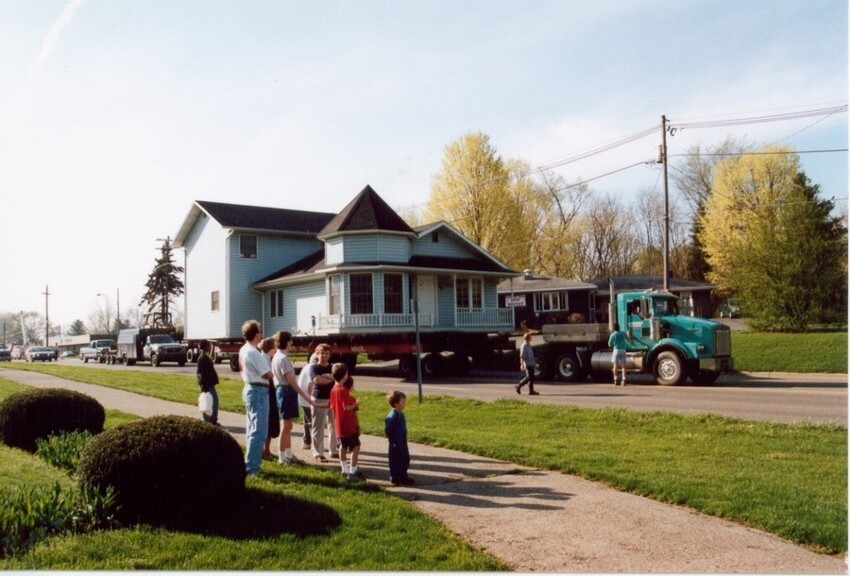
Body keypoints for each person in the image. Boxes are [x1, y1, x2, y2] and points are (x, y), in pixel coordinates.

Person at [272, 330, 320, 465]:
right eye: (290, 340)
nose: (292, 343)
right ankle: (282, 457)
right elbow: (291, 381)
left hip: (284, 390)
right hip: (286, 391)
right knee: (286, 426)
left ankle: (288, 453)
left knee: (289, 425)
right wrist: (305, 396)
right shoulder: (283, 358)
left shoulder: (278, 356)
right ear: (287, 342)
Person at [238, 319, 272, 476]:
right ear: (256, 334)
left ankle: (250, 463)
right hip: (258, 391)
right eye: (259, 331)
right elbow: (268, 374)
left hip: (250, 389)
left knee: (252, 429)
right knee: (258, 431)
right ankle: (252, 468)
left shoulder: (244, 349)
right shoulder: (253, 352)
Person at [329, 363, 364, 482]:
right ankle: (353, 470)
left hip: (338, 424)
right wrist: (355, 405)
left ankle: (344, 468)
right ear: (344, 376)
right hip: (348, 424)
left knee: (343, 446)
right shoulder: (343, 390)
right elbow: (346, 407)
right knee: (356, 446)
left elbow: (333, 406)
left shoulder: (333, 389)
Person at [307, 343, 338, 460]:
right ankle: (318, 452)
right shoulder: (314, 367)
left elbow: (338, 378)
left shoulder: (333, 366)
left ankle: (333, 450)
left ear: (329, 355)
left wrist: (328, 376)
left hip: (333, 399)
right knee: (318, 427)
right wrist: (330, 378)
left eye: (326, 353)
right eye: (321, 353)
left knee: (333, 426)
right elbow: (317, 380)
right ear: (317, 354)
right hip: (319, 398)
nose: (324, 355)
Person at [385, 390, 414, 486]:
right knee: (396, 460)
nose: (404, 403)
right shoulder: (393, 416)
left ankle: (403, 476)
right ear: (396, 403)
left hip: (402, 441)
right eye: (403, 402)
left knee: (405, 458)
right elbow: (389, 430)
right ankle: (395, 477)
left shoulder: (400, 414)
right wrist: (392, 441)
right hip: (395, 443)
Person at [260, 337, 281, 461]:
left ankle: (267, 449)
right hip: (267, 391)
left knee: (271, 421)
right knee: (267, 421)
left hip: (270, 390)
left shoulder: (268, 358)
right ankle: (264, 451)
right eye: (274, 346)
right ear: (270, 347)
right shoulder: (263, 358)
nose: (276, 348)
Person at [297, 352, 319, 451]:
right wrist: (312, 398)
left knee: (307, 420)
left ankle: (306, 441)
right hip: (308, 398)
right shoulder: (313, 368)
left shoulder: (306, 367)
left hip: (302, 398)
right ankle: (313, 443)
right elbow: (310, 385)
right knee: (312, 422)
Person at [196, 339, 219, 424]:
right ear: (205, 347)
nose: (210, 347)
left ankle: (211, 420)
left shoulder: (205, 356)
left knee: (211, 401)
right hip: (207, 384)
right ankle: (210, 421)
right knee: (210, 402)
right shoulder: (202, 358)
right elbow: (200, 373)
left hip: (209, 383)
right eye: (209, 345)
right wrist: (203, 387)